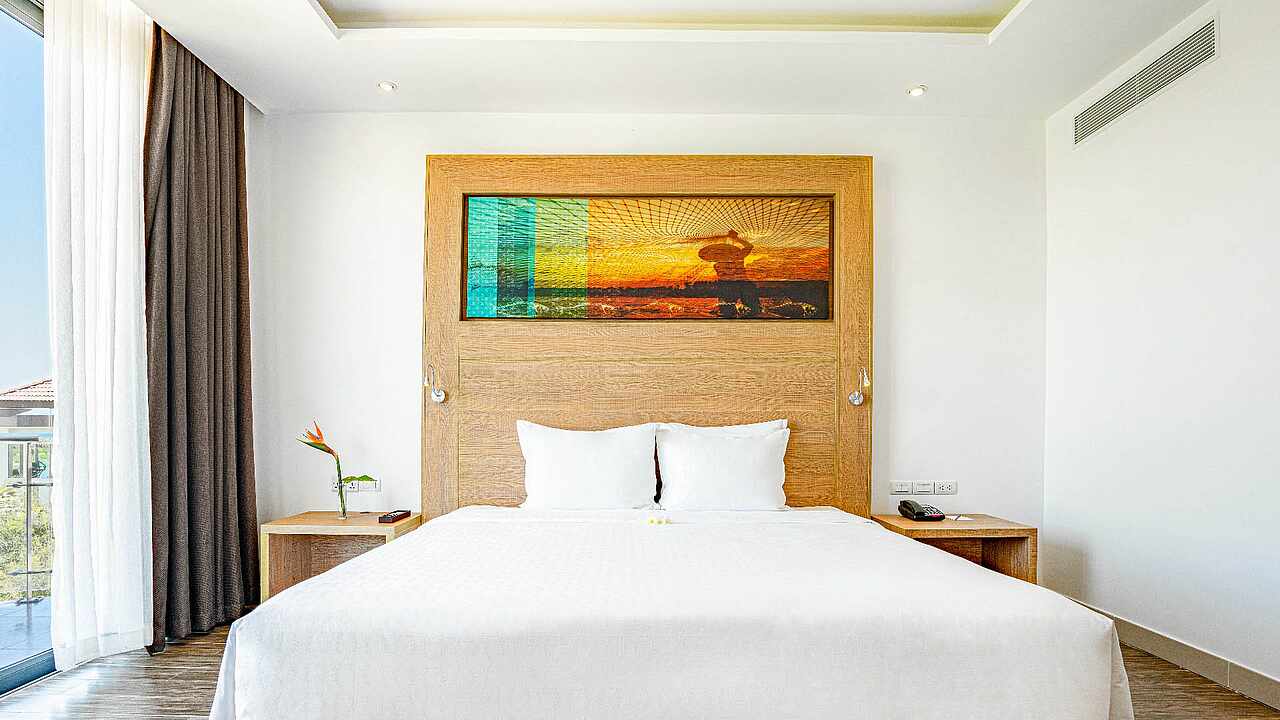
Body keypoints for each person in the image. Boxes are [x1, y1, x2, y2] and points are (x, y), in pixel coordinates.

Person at [697, 230, 761, 317]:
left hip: (736, 285)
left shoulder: (736, 257)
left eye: (721, 252)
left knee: (752, 310)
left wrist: (735, 238)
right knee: (729, 312)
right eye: (718, 253)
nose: (720, 254)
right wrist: (735, 239)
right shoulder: (735, 258)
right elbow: (749, 246)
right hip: (732, 286)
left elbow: (749, 246)